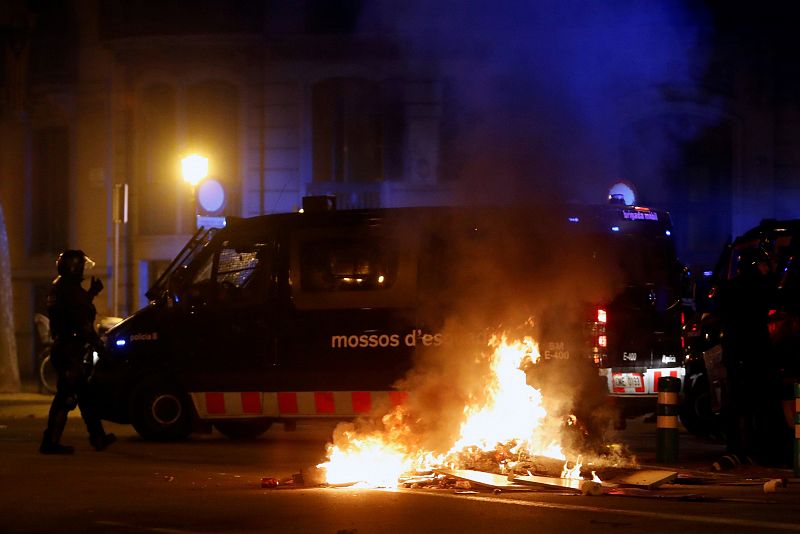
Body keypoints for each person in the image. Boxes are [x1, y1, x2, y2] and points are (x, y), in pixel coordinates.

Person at [40, 250, 116, 454]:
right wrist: (101, 347)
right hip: (70, 352)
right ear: (73, 266)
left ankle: (98, 437)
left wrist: (90, 294)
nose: (83, 269)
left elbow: (73, 311)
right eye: (81, 265)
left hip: (66, 348)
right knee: (66, 398)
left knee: (86, 396)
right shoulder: (69, 290)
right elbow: (80, 322)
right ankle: (50, 442)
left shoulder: (61, 287)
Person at [713, 247, 781, 469]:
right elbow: (778, 299)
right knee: (761, 403)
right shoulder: (760, 288)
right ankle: (760, 450)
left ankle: (736, 449)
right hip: (756, 354)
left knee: (735, 403)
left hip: (735, 354)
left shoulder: (729, 288)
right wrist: (773, 272)